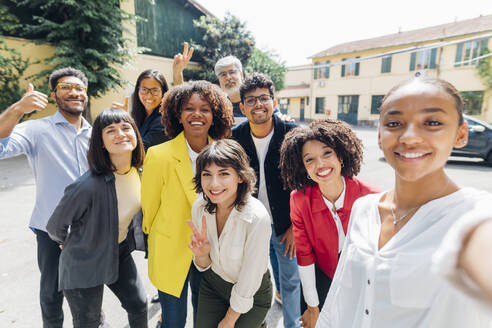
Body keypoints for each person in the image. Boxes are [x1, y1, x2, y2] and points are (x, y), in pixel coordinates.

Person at [316, 77, 492, 327]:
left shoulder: (477, 217)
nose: (409, 137)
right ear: (380, 135)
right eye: (395, 123)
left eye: (432, 122)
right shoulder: (364, 209)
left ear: (460, 134)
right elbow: (341, 297)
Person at [0, 67, 91, 327]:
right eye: (66, 87)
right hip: (50, 229)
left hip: (89, 230)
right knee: (52, 295)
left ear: (86, 95)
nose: (74, 92)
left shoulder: (96, 133)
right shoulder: (36, 130)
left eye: (80, 88)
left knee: (89, 291)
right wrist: (18, 109)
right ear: (53, 95)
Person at [141, 80, 233, 328]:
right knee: (173, 322)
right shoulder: (158, 155)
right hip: (170, 250)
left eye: (205, 109)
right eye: (189, 108)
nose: (197, 114)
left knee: (206, 319)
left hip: (214, 252)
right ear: (178, 115)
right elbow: (148, 208)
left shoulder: (227, 154)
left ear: (214, 116)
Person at [46, 108, 148, 328]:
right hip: (84, 260)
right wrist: (69, 242)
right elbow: (55, 226)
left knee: (139, 304)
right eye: (110, 130)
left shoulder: (138, 172)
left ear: (135, 134)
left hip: (119, 251)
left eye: (125, 127)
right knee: (88, 322)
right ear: (101, 142)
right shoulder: (87, 185)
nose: (120, 134)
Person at [279, 119, 380, 328]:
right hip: (321, 277)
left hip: (363, 281)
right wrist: (313, 307)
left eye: (327, 153)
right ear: (303, 167)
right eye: (310, 160)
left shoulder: (372, 197)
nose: (321, 165)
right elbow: (304, 254)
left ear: (340, 155)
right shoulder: (299, 199)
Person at [232, 72, 301, 328]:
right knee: (252, 278)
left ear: (274, 101)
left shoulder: (294, 135)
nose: (258, 104)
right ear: (242, 107)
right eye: (251, 100)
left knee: (291, 280)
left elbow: (305, 185)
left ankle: (292, 324)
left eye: (263, 98)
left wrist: (297, 226)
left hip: (287, 225)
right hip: (249, 224)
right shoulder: (235, 138)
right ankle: (257, 322)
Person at [187, 139, 272, 328]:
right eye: (206, 174)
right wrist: (201, 255)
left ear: (240, 176)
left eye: (224, 174)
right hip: (214, 285)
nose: (214, 184)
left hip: (252, 292)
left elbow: (249, 278)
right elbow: (204, 266)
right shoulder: (200, 207)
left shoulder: (257, 217)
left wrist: (229, 319)